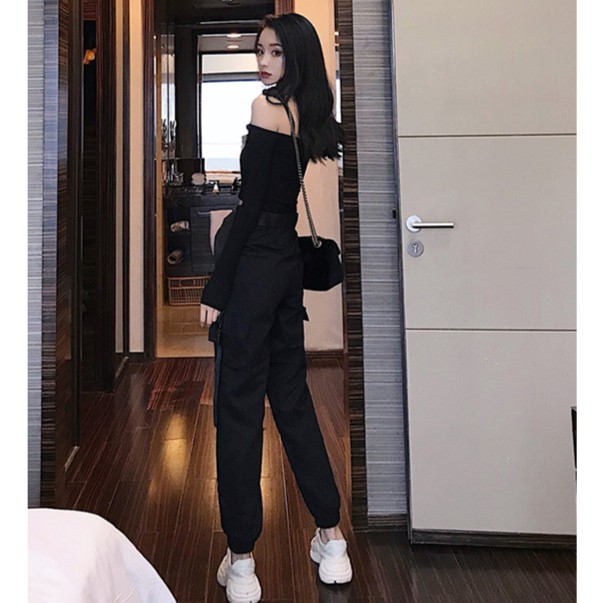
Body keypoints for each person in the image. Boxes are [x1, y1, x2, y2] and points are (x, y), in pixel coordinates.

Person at [199, 12, 353, 603]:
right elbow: (275, 207)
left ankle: (241, 561)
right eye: (260, 51)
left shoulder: (266, 108)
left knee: (239, 411)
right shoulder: (308, 113)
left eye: (275, 52)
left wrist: (216, 288)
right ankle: (331, 538)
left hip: (255, 272)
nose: (263, 62)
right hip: (286, 268)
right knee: (293, 402)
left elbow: (249, 210)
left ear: (296, 56)